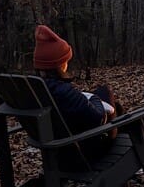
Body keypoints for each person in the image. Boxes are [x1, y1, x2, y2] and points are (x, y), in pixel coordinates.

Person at [33, 24, 120, 160]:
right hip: (81, 154)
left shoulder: (38, 89)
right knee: (107, 96)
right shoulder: (62, 92)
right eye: (66, 60)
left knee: (109, 98)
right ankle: (130, 147)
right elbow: (98, 118)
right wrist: (93, 98)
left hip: (60, 149)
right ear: (60, 64)